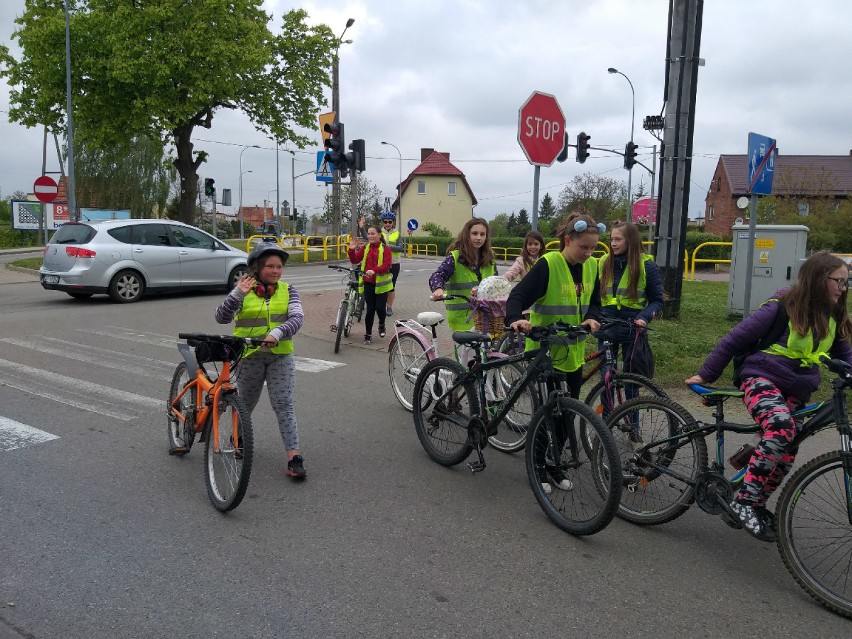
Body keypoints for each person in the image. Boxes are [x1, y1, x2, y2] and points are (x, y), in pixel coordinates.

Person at [685, 251, 852, 542]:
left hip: (795, 389)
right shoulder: (782, 307)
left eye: (846, 283)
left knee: (787, 453)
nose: (843, 288)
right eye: (839, 281)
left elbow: (847, 356)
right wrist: (706, 376)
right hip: (761, 378)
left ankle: (755, 503)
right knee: (781, 428)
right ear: (817, 279)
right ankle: (744, 502)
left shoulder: (834, 315)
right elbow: (734, 339)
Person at [505, 212, 604, 492]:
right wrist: (516, 318)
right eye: (583, 247)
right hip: (545, 353)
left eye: (593, 248)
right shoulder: (549, 264)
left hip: (573, 354)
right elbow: (518, 296)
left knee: (567, 414)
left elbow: (595, 302)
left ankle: (554, 463)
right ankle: (537, 467)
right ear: (567, 240)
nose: (588, 253)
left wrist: (593, 317)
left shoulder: (593, 267)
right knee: (547, 415)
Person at [214, 242, 307, 480]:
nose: (275, 271)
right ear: (256, 268)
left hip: (280, 356)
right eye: (269, 267)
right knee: (245, 403)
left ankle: (294, 457)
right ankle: (237, 436)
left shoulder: (288, 290)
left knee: (283, 403)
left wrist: (276, 333)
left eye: (279, 267)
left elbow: (297, 318)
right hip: (249, 357)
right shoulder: (244, 290)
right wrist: (237, 295)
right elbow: (221, 318)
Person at [597, 220, 664, 378]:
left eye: (618, 239)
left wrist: (643, 318)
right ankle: (607, 404)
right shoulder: (603, 262)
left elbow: (657, 301)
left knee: (632, 378)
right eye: (611, 239)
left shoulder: (647, 266)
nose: (613, 244)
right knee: (606, 377)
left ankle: (632, 404)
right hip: (607, 325)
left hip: (632, 326)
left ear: (631, 240)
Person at [429, 217, 497, 332]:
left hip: (485, 318)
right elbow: (437, 275)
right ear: (467, 235)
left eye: (482, 234)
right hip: (462, 320)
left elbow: (497, 285)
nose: (478, 238)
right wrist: (438, 289)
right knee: (468, 350)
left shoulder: (490, 260)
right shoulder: (455, 257)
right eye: (474, 233)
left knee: (487, 349)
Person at [348, 224, 392, 344]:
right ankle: (368, 334)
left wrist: (375, 271)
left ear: (379, 235)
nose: (370, 236)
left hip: (382, 285)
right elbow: (355, 260)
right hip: (368, 283)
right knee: (370, 310)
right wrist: (352, 249)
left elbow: (387, 265)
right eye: (369, 234)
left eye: (373, 233)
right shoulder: (366, 247)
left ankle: (382, 324)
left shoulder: (385, 248)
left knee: (380, 309)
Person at [381, 211, 404, 317]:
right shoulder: (379, 233)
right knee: (381, 285)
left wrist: (387, 247)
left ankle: (389, 307)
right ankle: (381, 304)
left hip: (394, 263)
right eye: (385, 222)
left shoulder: (398, 234)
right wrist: (361, 228)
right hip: (381, 262)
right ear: (383, 222)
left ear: (393, 222)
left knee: (391, 286)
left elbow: (400, 248)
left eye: (390, 222)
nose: (387, 224)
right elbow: (369, 239)